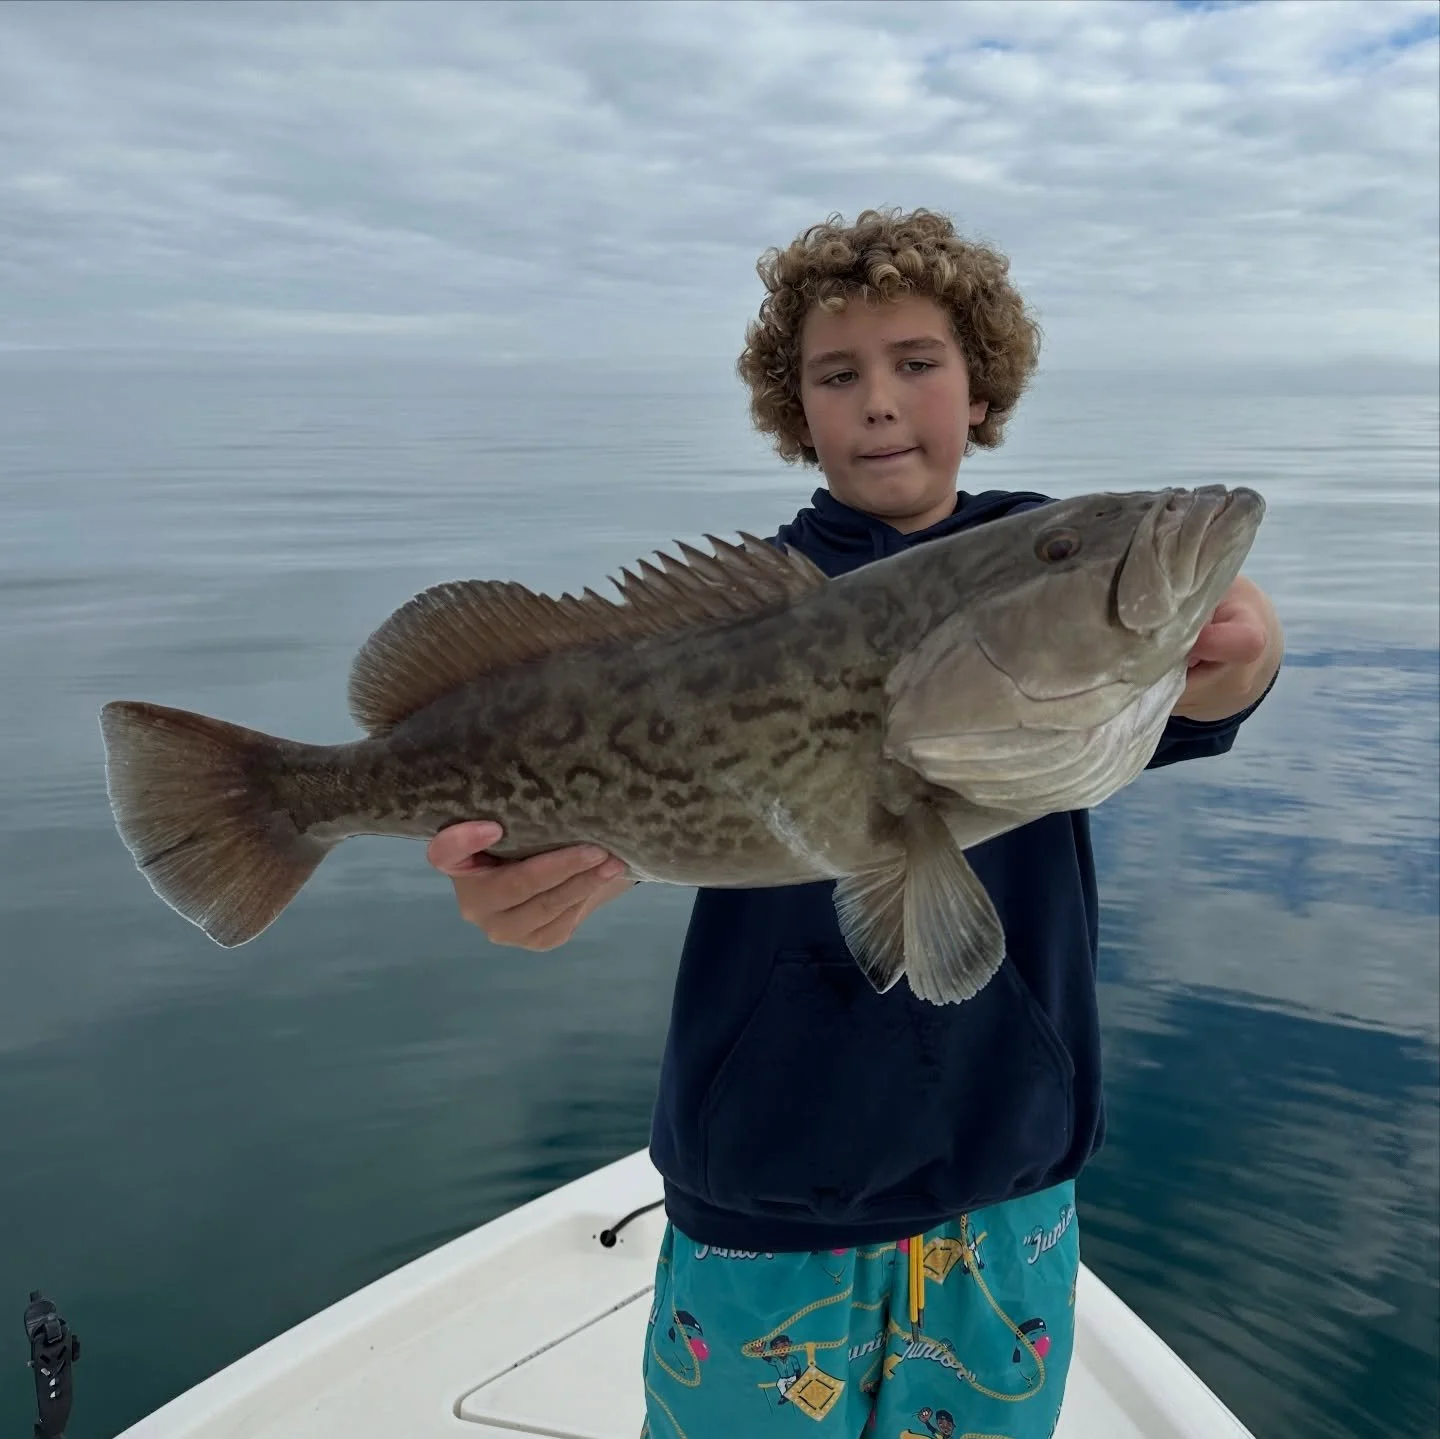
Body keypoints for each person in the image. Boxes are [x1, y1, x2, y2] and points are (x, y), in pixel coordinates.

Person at [426, 209, 1284, 1438]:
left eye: (917, 361)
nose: (881, 401)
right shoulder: (726, 622)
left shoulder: (1032, 544)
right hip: (766, 1180)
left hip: (1010, 1175)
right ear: (799, 408)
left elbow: (1207, 678)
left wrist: (1245, 654)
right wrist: (503, 883)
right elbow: (532, 799)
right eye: (840, 373)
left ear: (978, 382)